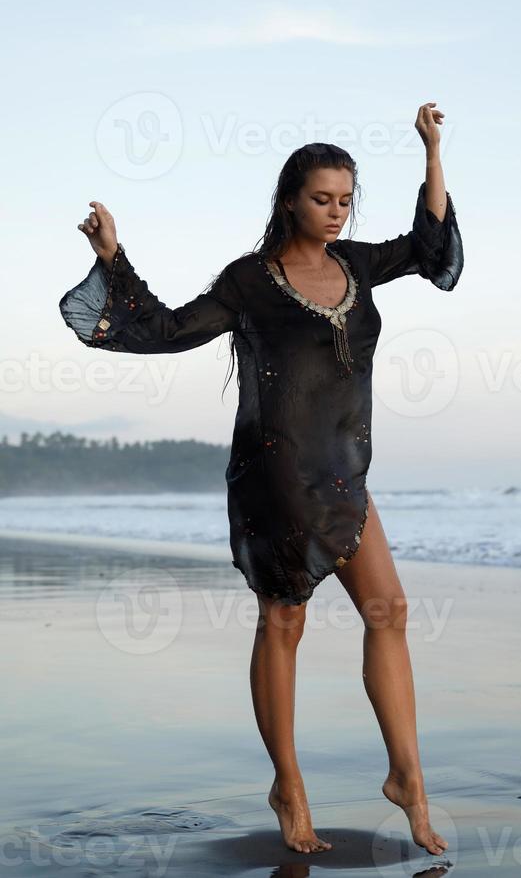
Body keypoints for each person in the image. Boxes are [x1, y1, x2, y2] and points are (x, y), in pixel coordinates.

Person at [59, 102, 464, 856]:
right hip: (276, 475)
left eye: (346, 199)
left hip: (345, 473)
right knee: (286, 623)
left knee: (390, 609)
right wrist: (115, 259)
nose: (337, 212)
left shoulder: (357, 265)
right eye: (322, 198)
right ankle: (289, 786)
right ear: (289, 200)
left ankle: (407, 778)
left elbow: (428, 245)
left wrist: (432, 152)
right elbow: (171, 328)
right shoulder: (252, 280)